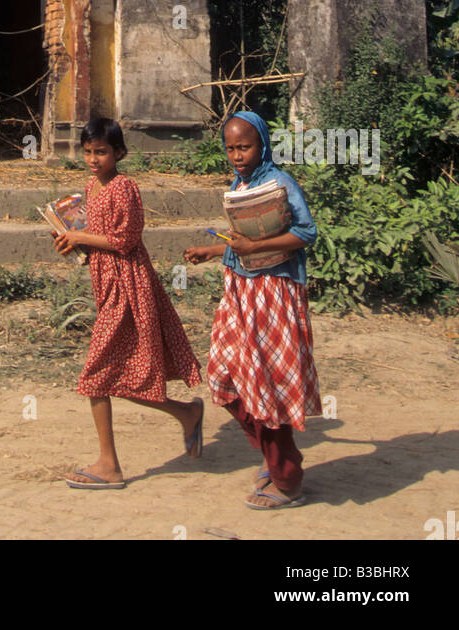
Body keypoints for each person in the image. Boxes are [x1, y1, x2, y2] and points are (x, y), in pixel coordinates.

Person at [53, 116, 203, 489]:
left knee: (96, 376)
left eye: (101, 152)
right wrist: (71, 242)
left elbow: (124, 239)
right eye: (87, 152)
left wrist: (80, 235)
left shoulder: (125, 187)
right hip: (106, 285)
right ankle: (186, 413)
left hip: (129, 285)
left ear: (119, 152)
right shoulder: (91, 187)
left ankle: (109, 465)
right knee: (117, 373)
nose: (93, 159)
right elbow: (96, 239)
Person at [184, 110, 322, 510]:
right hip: (240, 292)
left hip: (274, 294)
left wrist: (255, 248)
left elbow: (306, 232)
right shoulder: (240, 183)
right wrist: (214, 250)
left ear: (262, 144)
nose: (237, 155)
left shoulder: (280, 182)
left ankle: (287, 479)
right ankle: (278, 460)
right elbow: (244, 239)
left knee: (267, 385)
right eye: (230, 148)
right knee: (224, 378)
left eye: (244, 146)